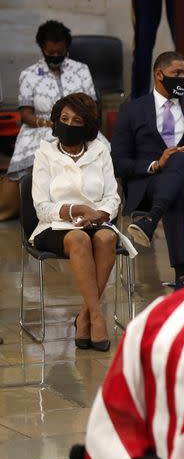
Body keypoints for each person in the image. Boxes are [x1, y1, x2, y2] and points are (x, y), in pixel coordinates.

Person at [112, 51, 184, 290]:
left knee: (182, 159)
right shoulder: (132, 110)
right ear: (159, 74)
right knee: (177, 189)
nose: (183, 78)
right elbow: (119, 162)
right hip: (149, 185)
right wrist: (156, 164)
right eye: (177, 73)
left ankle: (151, 220)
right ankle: (182, 273)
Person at [31, 93, 119, 352]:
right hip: (54, 225)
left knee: (107, 238)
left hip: (95, 221)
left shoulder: (100, 151)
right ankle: (97, 316)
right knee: (79, 239)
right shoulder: (44, 154)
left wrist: (99, 215)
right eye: (64, 119)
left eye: (76, 120)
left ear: (87, 125)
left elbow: (112, 196)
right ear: (56, 122)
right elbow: (41, 207)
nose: (68, 124)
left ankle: (83, 316)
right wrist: (74, 209)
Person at [10, 20, 106, 182]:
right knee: (43, 159)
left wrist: (79, 123)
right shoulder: (29, 74)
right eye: (50, 52)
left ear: (66, 48)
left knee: (101, 151)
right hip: (40, 128)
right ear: (42, 48)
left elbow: (92, 106)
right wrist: (49, 124)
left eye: (60, 52)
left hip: (78, 125)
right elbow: (25, 115)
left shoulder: (81, 70)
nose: (55, 56)